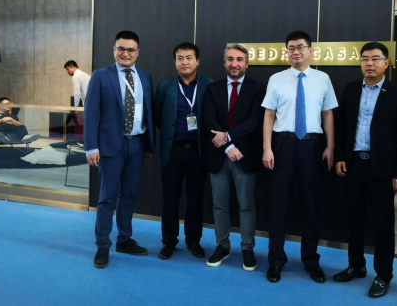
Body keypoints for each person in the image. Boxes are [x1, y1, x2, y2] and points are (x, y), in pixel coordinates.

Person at [334, 42, 397, 298]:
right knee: (354, 219)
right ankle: (356, 265)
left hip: (383, 169)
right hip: (354, 163)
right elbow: (342, 126)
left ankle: (383, 274)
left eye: (375, 59)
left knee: (383, 224)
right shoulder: (351, 89)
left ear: (386, 63)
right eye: (365, 59)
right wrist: (341, 157)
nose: (369, 63)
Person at [262, 30, 337, 284]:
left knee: (311, 206)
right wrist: (267, 147)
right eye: (291, 48)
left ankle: (311, 261)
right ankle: (276, 261)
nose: (296, 52)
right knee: (279, 205)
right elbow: (269, 115)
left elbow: (328, 114)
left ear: (310, 51)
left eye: (301, 47)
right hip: (282, 145)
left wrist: (330, 146)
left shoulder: (323, 78)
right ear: (287, 52)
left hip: (312, 146)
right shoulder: (276, 79)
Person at [84, 30, 156, 269]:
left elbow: (148, 112)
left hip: (137, 145)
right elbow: (90, 113)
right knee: (107, 197)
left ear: (138, 52)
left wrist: (149, 144)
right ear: (114, 50)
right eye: (121, 49)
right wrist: (91, 147)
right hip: (109, 146)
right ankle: (102, 245)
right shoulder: (100, 76)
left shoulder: (145, 77)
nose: (126, 53)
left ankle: (124, 239)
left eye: (131, 49)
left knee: (129, 195)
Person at [203, 44, 265, 271]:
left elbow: (255, 121)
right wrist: (228, 146)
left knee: (246, 206)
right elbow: (209, 121)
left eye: (239, 60)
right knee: (219, 205)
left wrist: (228, 137)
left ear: (247, 64)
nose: (234, 64)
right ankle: (223, 246)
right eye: (230, 59)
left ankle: (247, 248)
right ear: (224, 63)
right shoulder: (213, 89)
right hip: (219, 155)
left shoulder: (258, 89)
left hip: (245, 156)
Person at [154, 42, 213, 261]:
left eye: (189, 58)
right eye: (180, 58)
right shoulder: (165, 86)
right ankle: (169, 241)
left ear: (197, 61)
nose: (184, 62)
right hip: (173, 151)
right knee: (170, 199)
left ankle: (193, 240)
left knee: (196, 199)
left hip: (198, 152)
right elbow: (158, 117)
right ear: (175, 62)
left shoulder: (208, 85)